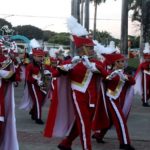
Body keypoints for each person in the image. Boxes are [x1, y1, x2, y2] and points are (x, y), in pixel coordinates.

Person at [44, 35, 108, 150]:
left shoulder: (95, 62)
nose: (92, 50)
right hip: (78, 96)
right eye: (89, 48)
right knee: (85, 125)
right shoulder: (71, 61)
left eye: (92, 48)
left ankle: (66, 143)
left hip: (92, 99)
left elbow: (106, 76)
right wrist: (68, 66)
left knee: (82, 123)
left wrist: (92, 66)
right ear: (82, 48)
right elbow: (53, 74)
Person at [92, 53, 135, 150]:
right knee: (121, 121)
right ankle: (124, 143)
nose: (124, 63)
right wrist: (112, 75)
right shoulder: (110, 73)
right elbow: (105, 78)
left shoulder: (123, 73)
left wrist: (126, 77)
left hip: (118, 100)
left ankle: (99, 135)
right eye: (122, 61)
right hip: (111, 99)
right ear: (116, 63)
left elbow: (133, 82)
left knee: (111, 120)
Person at [25, 48, 47, 124]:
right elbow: (28, 77)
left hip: (40, 84)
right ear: (34, 56)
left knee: (43, 97)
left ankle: (33, 111)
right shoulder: (30, 65)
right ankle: (38, 118)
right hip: (33, 85)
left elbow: (45, 72)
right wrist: (36, 81)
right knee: (38, 100)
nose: (40, 58)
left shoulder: (42, 64)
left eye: (41, 56)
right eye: (39, 56)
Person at [134, 42, 150, 107]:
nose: (148, 59)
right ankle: (145, 101)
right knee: (145, 90)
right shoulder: (142, 64)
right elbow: (138, 71)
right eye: (146, 58)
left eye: (149, 58)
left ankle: (145, 99)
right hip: (145, 78)